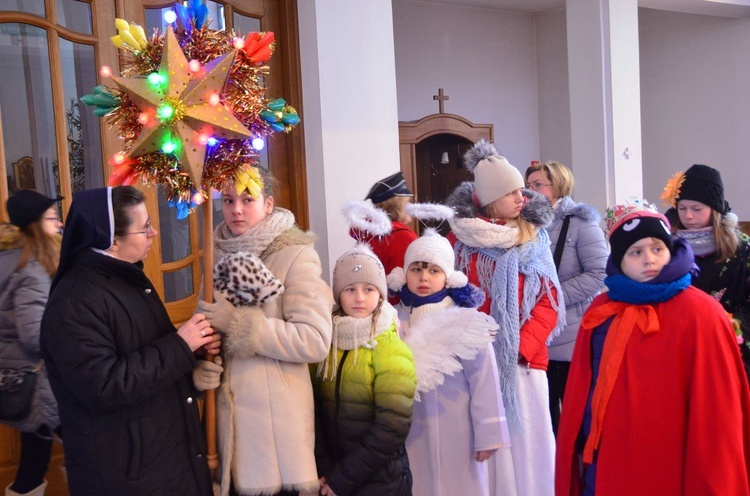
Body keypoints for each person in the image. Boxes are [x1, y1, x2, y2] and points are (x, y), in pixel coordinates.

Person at [556, 198, 750, 495]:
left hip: (673, 462)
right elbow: (585, 388)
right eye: (636, 252)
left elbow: (718, 416)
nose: (649, 259)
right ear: (618, 260)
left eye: (657, 249)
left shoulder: (701, 314)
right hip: (608, 459)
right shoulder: (602, 311)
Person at [40, 186, 217, 496]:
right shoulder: (75, 301)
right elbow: (104, 385)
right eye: (144, 226)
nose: (154, 232)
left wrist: (193, 354)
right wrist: (180, 345)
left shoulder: (126, 280)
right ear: (112, 240)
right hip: (125, 472)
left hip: (161, 458)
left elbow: (144, 355)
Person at [196, 165, 333, 496]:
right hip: (229, 431)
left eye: (247, 199)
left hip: (276, 439)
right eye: (228, 200)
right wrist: (202, 367)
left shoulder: (295, 254)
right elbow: (208, 333)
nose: (236, 210)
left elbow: (314, 341)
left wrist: (239, 325)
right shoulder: (215, 257)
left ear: (268, 204)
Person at [444, 140, 564, 496]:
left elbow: (549, 298)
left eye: (520, 190)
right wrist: (478, 343)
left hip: (526, 363)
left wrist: (520, 347)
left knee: (531, 447)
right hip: (478, 361)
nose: (521, 198)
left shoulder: (535, 237)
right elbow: (452, 294)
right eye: (511, 192)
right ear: (490, 199)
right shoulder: (460, 241)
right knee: (488, 447)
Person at [387, 229, 510, 496]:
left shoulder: (464, 322)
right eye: (416, 270)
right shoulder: (394, 321)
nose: (423, 278)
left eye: (433, 271)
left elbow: (484, 380)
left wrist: (488, 433)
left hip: (458, 428)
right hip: (412, 431)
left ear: (448, 278)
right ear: (403, 275)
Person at [312, 244, 416, 496]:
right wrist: (325, 468)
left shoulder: (390, 347)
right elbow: (313, 410)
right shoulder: (325, 344)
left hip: (382, 481)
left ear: (380, 295)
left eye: (368, 289)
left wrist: (342, 478)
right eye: (350, 289)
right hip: (334, 478)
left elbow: (392, 427)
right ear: (338, 294)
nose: (359, 298)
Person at [524, 161, 608, 434]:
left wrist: (550, 298)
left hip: (569, 334)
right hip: (534, 333)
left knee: (573, 421)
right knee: (541, 419)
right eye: (528, 186)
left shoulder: (580, 222)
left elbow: (599, 273)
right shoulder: (524, 223)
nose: (531, 191)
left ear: (558, 186)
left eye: (539, 185)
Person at [661, 163, 750, 378]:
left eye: (697, 209)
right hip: (678, 347)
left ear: (715, 210)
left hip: (728, 346)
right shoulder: (665, 247)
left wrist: (733, 326)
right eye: (682, 208)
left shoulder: (742, 248)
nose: (688, 216)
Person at [0, 191, 62, 496]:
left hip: (21, 379)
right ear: (36, 225)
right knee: (38, 462)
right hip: (38, 383)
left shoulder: (10, 260)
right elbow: (35, 335)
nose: (60, 223)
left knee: (34, 461)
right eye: (52, 218)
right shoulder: (32, 268)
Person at [354, 172, 418, 303]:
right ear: (397, 206)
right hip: (397, 309)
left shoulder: (367, 232)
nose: (411, 206)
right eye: (407, 202)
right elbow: (412, 280)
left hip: (371, 303)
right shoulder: (402, 237)